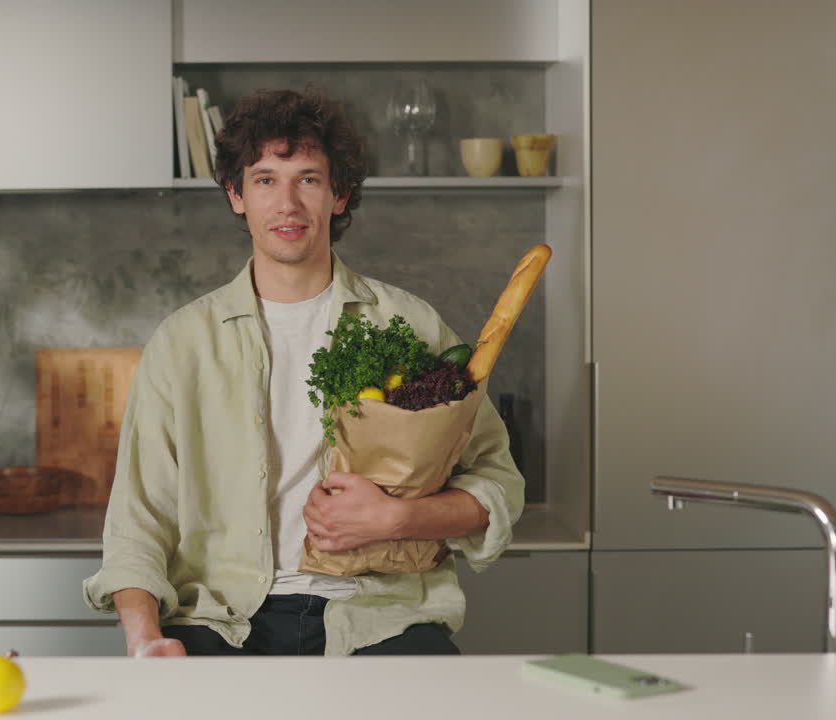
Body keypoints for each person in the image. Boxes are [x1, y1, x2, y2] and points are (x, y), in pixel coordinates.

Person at [82, 88, 525, 657]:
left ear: (339, 195)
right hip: (219, 622)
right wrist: (145, 638)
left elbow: (496, 481)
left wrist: (397, 518)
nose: (287, 203)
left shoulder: (409, 325)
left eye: (308, 179)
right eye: (265, 179)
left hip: (378, 615)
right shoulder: (182, 342)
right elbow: (137, 521)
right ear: (236, 195)